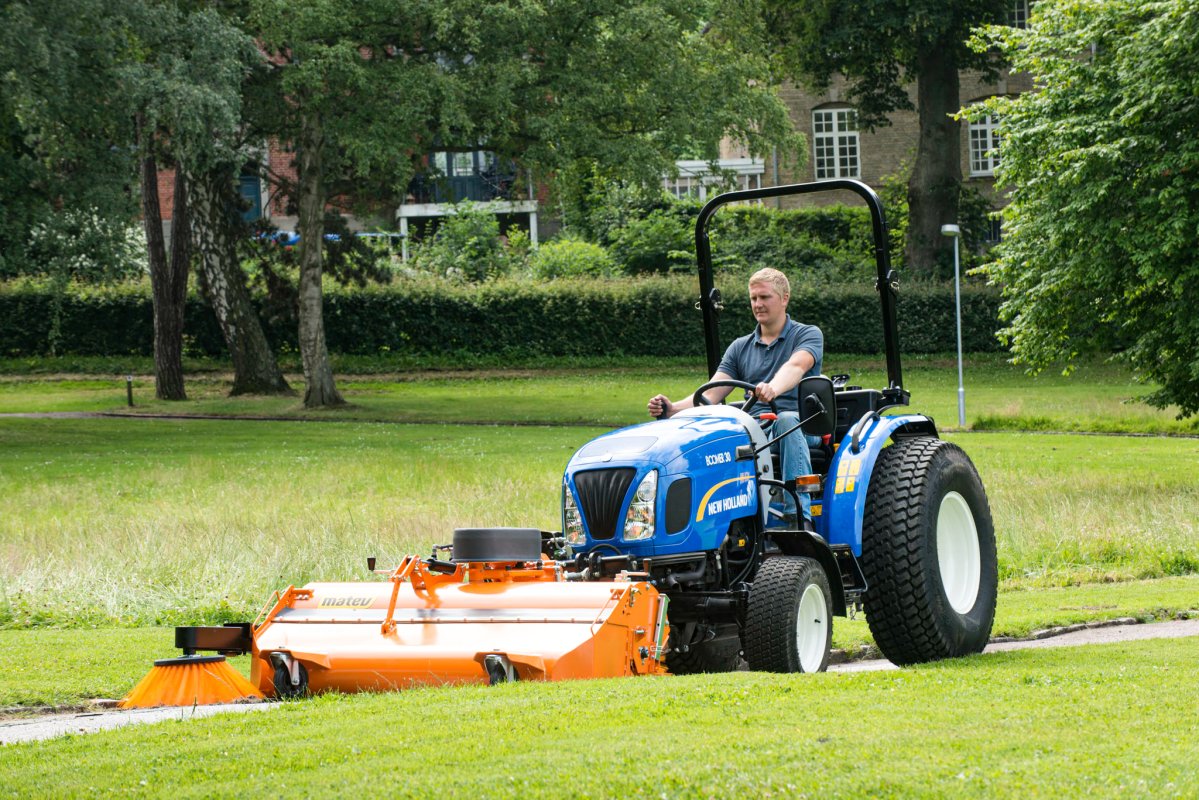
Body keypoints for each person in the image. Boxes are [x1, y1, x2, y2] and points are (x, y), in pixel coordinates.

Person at [647, 268, 823, 527]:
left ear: (784, 298)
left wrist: (773, 387)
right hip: (756, 430)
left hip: (800, 426)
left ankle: (798, 518)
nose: (758, 304)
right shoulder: (740, 347)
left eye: (765, 297)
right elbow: (712, 391)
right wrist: (673, 409)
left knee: (785, 420)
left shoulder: (807, 334)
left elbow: (796, 366)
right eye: (753, 298)